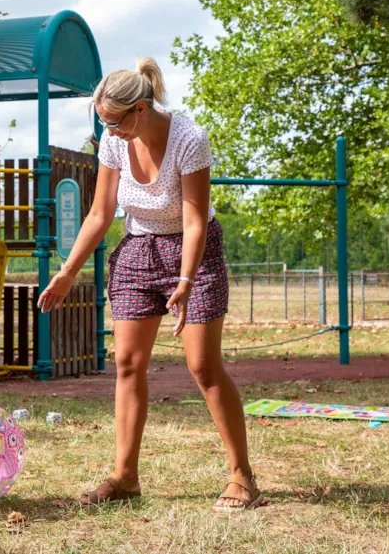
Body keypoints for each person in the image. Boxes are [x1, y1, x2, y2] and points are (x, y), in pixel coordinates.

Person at [38, 57, 264, 511]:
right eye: (102, 122)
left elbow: (196, 218)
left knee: (202, 366)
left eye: (115, 122)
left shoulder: (188, 139)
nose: (109, 132)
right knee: (126, 362)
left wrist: (185, 278)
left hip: (193, 250)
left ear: (140, 109)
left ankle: (243, 477)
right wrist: (68, 272)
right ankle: (124, 478)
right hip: (139, 249)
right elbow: (101, 214)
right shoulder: (114, 141)